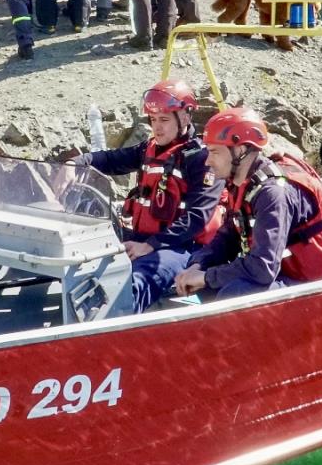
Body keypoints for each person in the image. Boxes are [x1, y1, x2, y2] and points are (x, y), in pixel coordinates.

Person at [74, 81, 224, 312]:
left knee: (132, 286)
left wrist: (150, 245)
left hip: (179, 247)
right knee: (85, 269)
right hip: (141, 240)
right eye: (153, 120)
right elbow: (111, 160)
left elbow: (197, 217)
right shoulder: (148, 149)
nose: (157, 128)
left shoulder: (202, 159)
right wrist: (78, 163)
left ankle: (118, 330)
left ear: (184, 117)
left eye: (164, 120)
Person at [173, 108, 322, 300]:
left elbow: (263, 268)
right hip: (285, 273)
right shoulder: (240, 182)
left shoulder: (273, 193)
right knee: (203, 282)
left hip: (321, 282)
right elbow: (229, 235)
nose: (208, 161)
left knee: (235, 294)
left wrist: (207, 277)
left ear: (240, 150)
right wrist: (198, 265)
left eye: (214, 152)